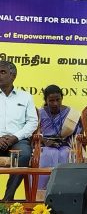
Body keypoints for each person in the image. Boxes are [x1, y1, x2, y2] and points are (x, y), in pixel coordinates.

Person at [0, 60, 38, 201]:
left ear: (13, 75)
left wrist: (15, 137)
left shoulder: (25, 97)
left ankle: (8, 197)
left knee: (24, 154)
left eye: (2, 72)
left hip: (17, 141)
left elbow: (32, 122)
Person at [38, 85, 82, 190]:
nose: (55, 103)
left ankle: (65, 189)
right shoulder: (40, 113)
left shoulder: (70, 113)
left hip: (64, 144)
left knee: (66, 154)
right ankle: (42, 191)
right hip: (46, 145)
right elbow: (34, 134)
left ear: (62, 98)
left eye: (58, 100)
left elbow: (77, 132)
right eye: (51, 101)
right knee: (49, 154)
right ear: (46, 100)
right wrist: (45, 140)